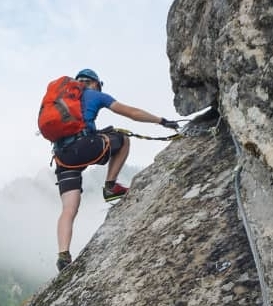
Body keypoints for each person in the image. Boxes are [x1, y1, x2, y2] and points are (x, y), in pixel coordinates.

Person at [53, 68, 179, 272]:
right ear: (95, 83)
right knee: (123, 139)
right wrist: (161, 121)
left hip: (62, 157)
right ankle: (110, 187)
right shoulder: (95, 94)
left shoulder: (61, 100)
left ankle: (63, 255)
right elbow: (131, 113)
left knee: (69, 209)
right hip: (84, 148)